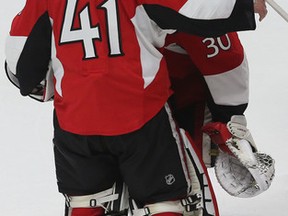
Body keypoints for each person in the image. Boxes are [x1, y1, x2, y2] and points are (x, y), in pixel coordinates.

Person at [4, 1, 268, 216]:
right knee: (167, 201)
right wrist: (244, 5)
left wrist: (46, 86)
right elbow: (198, 13)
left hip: (74, 121)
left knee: (85, 201)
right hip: (141, 117)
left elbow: (19, 67)